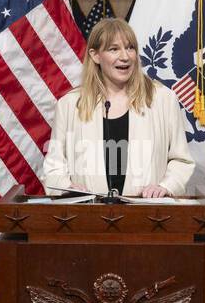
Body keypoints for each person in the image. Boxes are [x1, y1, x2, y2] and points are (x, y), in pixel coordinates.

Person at [43, 17, 194, 198]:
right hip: (88, 217)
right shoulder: (70, 105)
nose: (125, 56)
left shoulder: (162, 99)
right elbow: (54, 168)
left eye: (130, 48)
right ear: (95, 55)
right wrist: (68, 187)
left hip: (148, 215)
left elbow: (181, 160)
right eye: (114, 49)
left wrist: (166, 186)